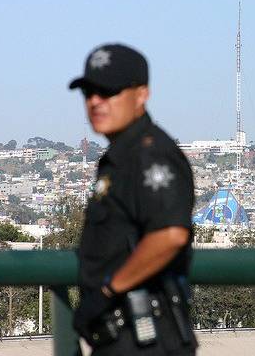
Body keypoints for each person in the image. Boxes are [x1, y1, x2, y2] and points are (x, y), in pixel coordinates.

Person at [68, 43, 197, 355]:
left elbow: (170, 234)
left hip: (146, 337)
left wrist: (109, 290)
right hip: (121, 336)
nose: (96, 102)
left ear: (141, 95)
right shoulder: (124, 155)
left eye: (108, 92)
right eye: (89, 93)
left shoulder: (150, 155)